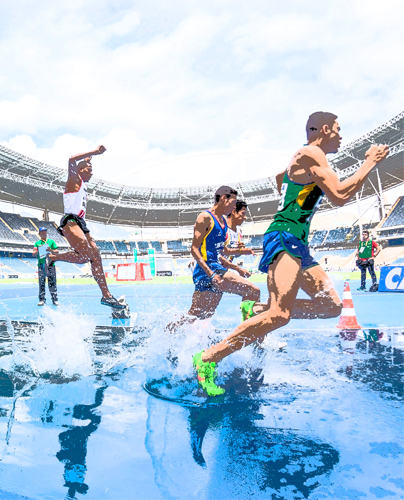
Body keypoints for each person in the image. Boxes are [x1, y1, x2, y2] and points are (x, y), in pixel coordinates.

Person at [192, 111, 389, 396]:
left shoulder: (304, 160)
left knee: (331, 307)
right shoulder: (311, 152)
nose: (341, 135)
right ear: (323, 129)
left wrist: (293, 189)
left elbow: (280, 178)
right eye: (337, 129)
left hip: (297, 241)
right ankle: (208, 358)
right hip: (285, 237)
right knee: (281, 314)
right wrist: (369, 162)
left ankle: (257, 311)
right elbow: (339, 195)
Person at [166, 186, 260, 333]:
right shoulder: (205, 217)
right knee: (253, 291)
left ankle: (167, 333)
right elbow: (194, 249)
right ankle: (249, 335)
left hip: (216, 269)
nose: (234, 207)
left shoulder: (222, 222)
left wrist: (242, 251)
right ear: (223, 199)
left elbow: (224, 250)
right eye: (233, 203)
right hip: (207, 270)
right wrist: (211, 274)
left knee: (201, 314)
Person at [49, 146, 127, 310]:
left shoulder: (82, 183)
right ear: (80, 171)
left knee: (95, 256)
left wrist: (87, 161)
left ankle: (106, 296)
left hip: (82, 223)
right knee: (86, 255)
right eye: (88, 170)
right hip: (71, 221)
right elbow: (71, 160)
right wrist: (94, 152)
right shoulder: (74, 180)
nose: (91, 172)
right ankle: (53, 257)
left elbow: (81, 165)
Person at [33, 227, 60, 306]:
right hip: (41, 265)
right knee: (41, 282)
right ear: (39, 234)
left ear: (47, 233)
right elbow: (33, 253)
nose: (44, 233)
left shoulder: (51, 241)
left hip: (51, 264)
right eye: (42, 232)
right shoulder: (37, 243)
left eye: (45, 231)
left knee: (52, 283)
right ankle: (42, 300)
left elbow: (57, 251)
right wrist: (40, 249)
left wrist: (50, 250)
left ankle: (54, 300)